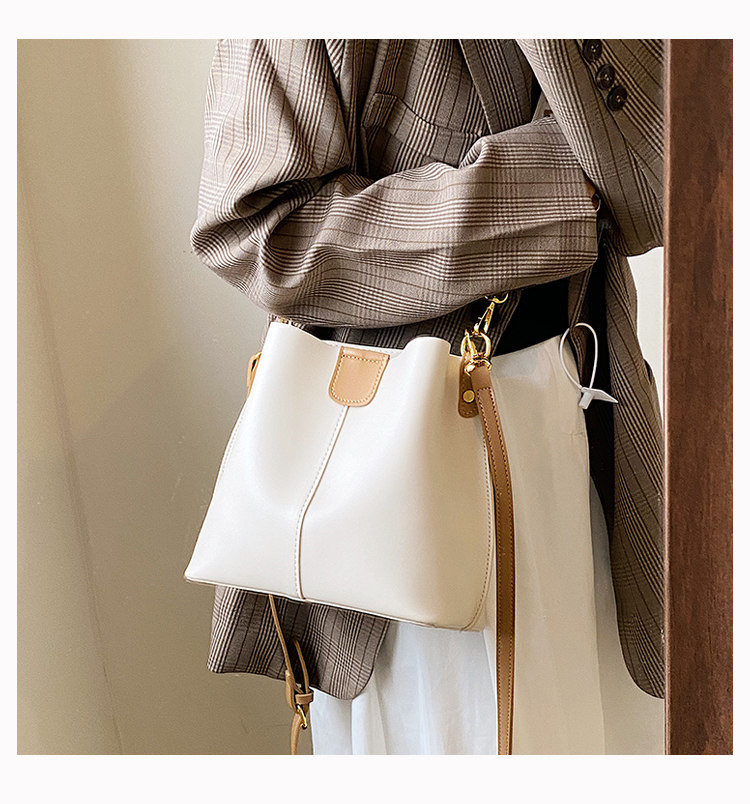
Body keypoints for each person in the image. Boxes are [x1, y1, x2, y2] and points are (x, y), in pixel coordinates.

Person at [190, 39, 665, 754]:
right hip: (395, 472)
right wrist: (548, 193)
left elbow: (651, 172)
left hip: (584, 420)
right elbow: (256, 231)